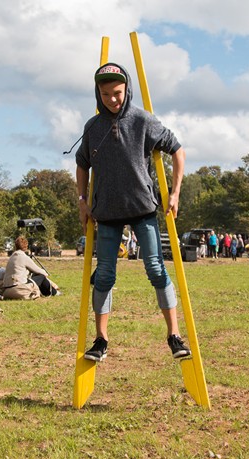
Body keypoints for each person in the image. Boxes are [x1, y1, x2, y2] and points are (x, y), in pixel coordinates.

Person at [75, 62, 191, 362]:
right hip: (107, 213)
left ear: (126, 90)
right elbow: (82, 164)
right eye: (105, 94)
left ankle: (174, 335)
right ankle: (101, 340)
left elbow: (177, 150)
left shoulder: (142, 120)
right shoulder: (92, 127)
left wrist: (175, 192)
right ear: (97, 94)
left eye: (117, 93)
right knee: (103, 276)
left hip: (142, 209)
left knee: (155, 268)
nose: (112, 99)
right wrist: (82, 200)